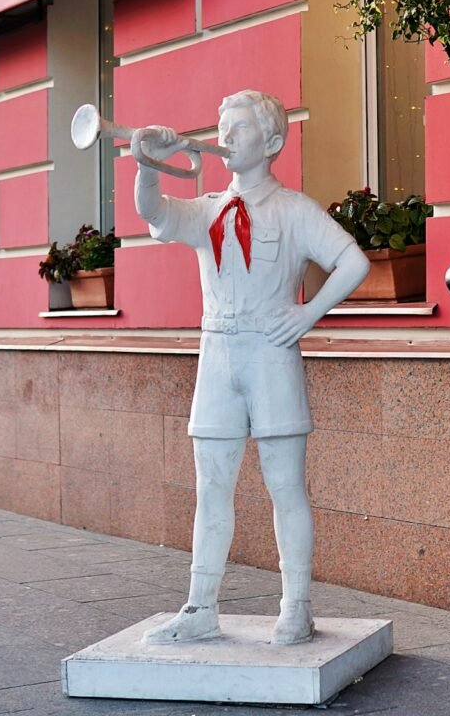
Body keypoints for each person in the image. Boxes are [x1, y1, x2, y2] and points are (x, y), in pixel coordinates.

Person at [131, 90, 370, 645]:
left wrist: (308, 314)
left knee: (285, 485)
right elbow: (154, 213)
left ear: (272, 142)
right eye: (221, 127)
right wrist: (144, 162)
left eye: (236, 129)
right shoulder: (210, 209)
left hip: (270, 354)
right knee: (210, 486)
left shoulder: (294, 210)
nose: (223, 138)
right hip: (217, 355)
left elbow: (353, 261)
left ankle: (297, 604)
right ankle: (199, 606)